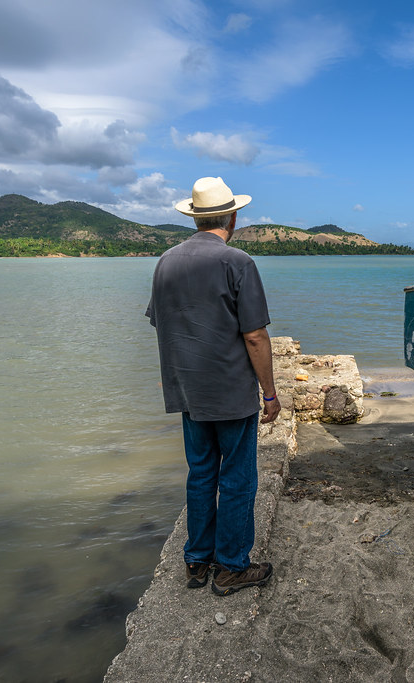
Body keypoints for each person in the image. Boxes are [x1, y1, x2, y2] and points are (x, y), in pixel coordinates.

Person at [146, 176, 281, 597]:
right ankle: (231, 568)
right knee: (238, 478)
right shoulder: (238, 262)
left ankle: (196, 559)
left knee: (201, 473)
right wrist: (270, 393)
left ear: (195, 218)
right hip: (231, 392)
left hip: (188, 391)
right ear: (232, 217)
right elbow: (255, 336)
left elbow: (163, 323)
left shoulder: (166, 262)